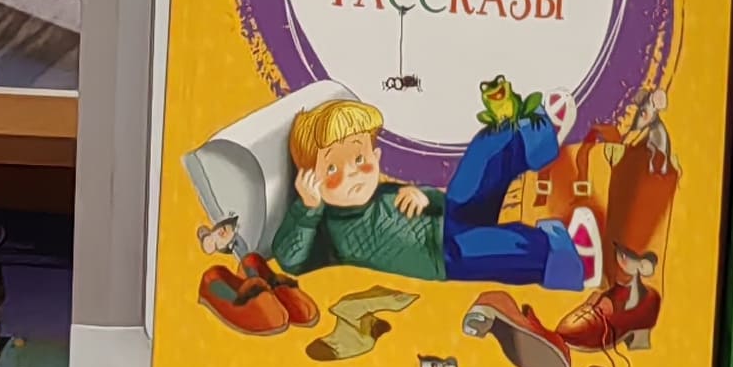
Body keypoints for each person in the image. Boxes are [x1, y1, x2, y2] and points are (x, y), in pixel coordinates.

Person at [253, 92, 602, 294]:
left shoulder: (377, 193)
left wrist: (421, 195)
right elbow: (290, 259)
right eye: (332, 169)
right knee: (500, 247)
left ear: (376, 157)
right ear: (310, 179)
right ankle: (571, 262)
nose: (353, 173)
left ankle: (535, 136)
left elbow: (420, 201)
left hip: (447, 216)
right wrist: (307, 209)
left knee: (483, 154)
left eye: (360, 159)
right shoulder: (327, 229)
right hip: (443, 255)